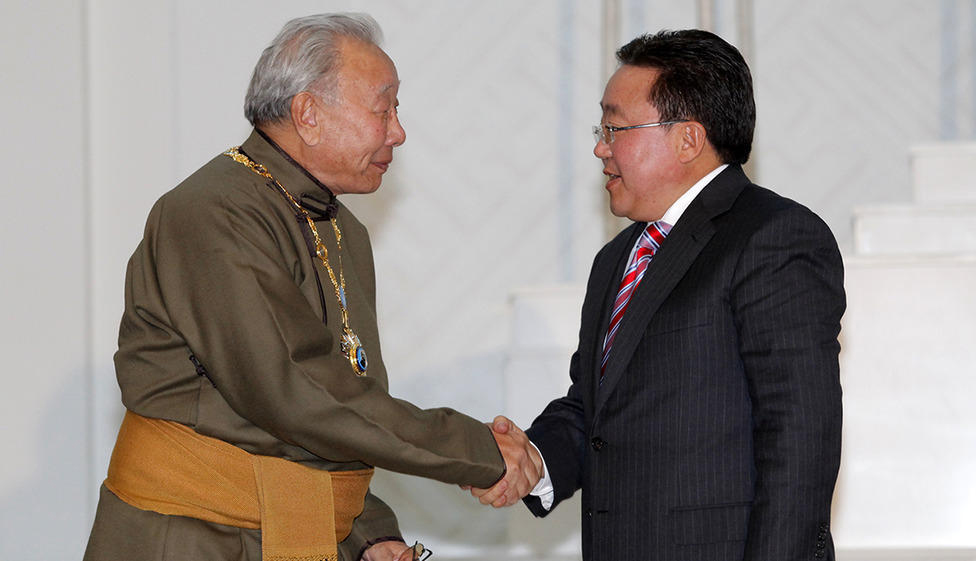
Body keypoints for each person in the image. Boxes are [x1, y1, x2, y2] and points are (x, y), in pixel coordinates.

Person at [83, 13, 539, 561]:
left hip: (294, 533)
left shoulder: (343, 229)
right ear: (308, 114)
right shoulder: (213, 212)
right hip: (191, 538)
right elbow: (295, 390)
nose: (398, 131)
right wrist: (477, 451)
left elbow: (332, 415)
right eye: (383, 109)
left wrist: (368, 532)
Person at [475, 29, 845, 561]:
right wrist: (533, 458)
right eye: (601, 129)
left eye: (615, 127)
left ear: (687, 139)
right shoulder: (617, 258)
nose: (600, 147)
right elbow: (594, 411)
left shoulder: (773, 236)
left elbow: (800, 437)